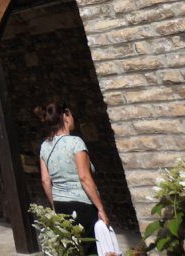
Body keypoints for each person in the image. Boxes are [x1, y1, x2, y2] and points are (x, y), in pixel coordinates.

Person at [36, 100, 116, 256]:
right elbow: (84, 177)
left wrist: (55, 204)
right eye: (71, 114)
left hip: (60, 205)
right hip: (83, 205)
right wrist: (101, 208)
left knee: (72, 250)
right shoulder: (75, 143)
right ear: (65, 117)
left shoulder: (44, 146)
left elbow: (45, 180)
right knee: (92, 248)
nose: (72, 118)